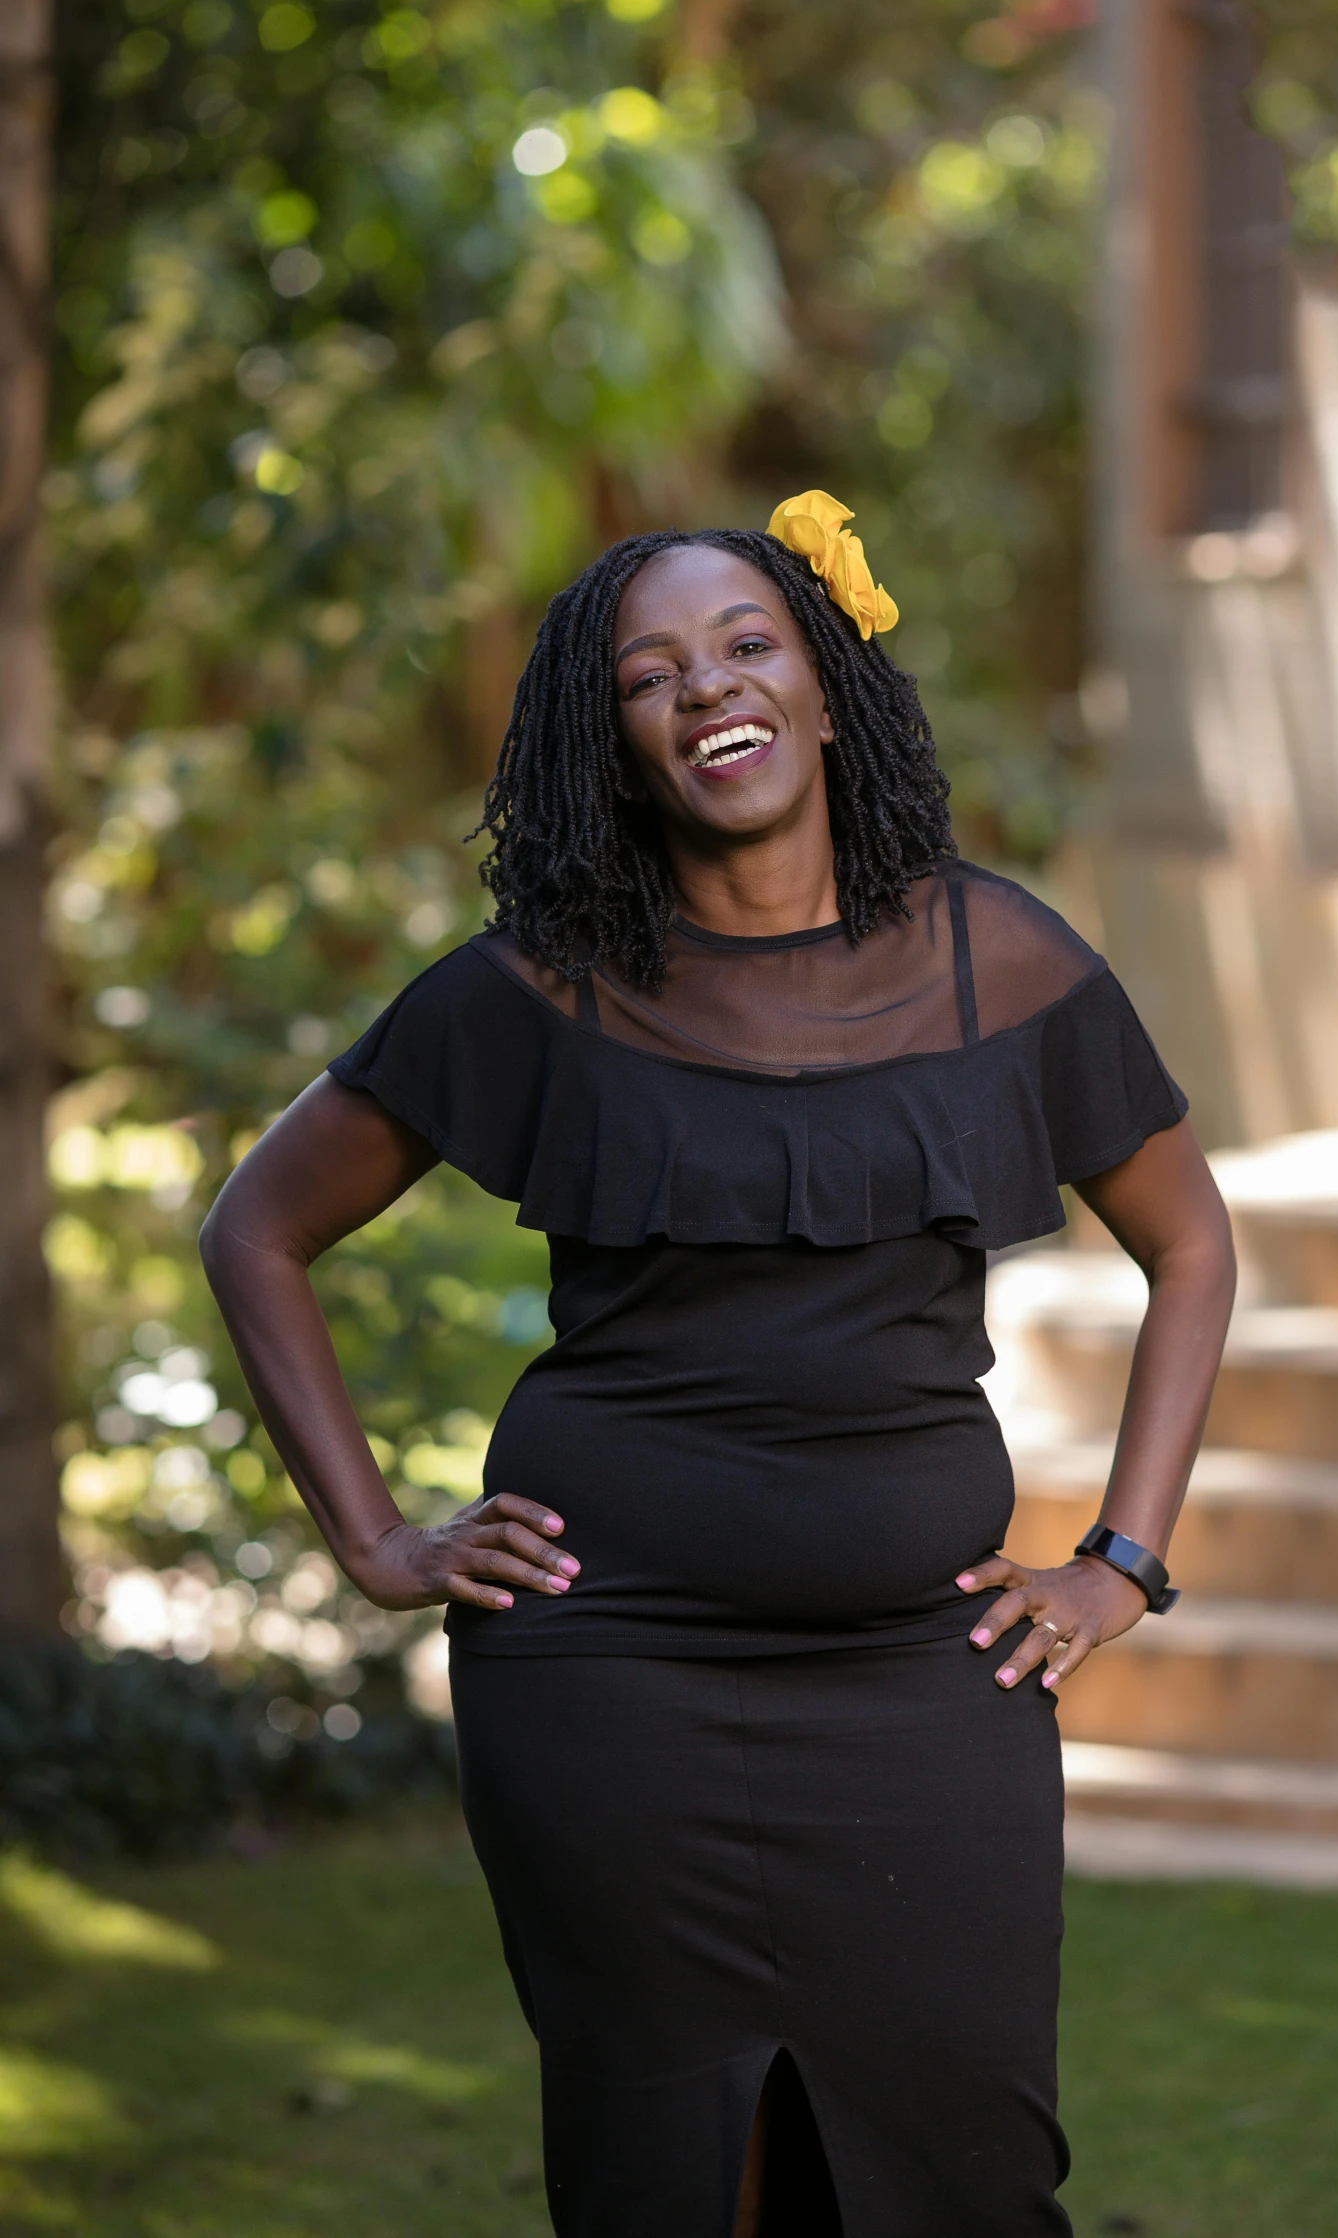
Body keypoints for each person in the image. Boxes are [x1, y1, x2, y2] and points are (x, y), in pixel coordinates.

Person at [201, 492, 1236, 2238]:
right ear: (607, 738)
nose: (706, 693)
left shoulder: (1007, 964)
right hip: (611, 1681)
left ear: (827, 687)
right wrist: (375, 1541)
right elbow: (258, 1228)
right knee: (677, 2179)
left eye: (748, 645)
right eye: (648, 674)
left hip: (926, 1676)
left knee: (964, 2162)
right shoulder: (540, 990)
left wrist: (1122, 1559)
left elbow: (1191, 1242)